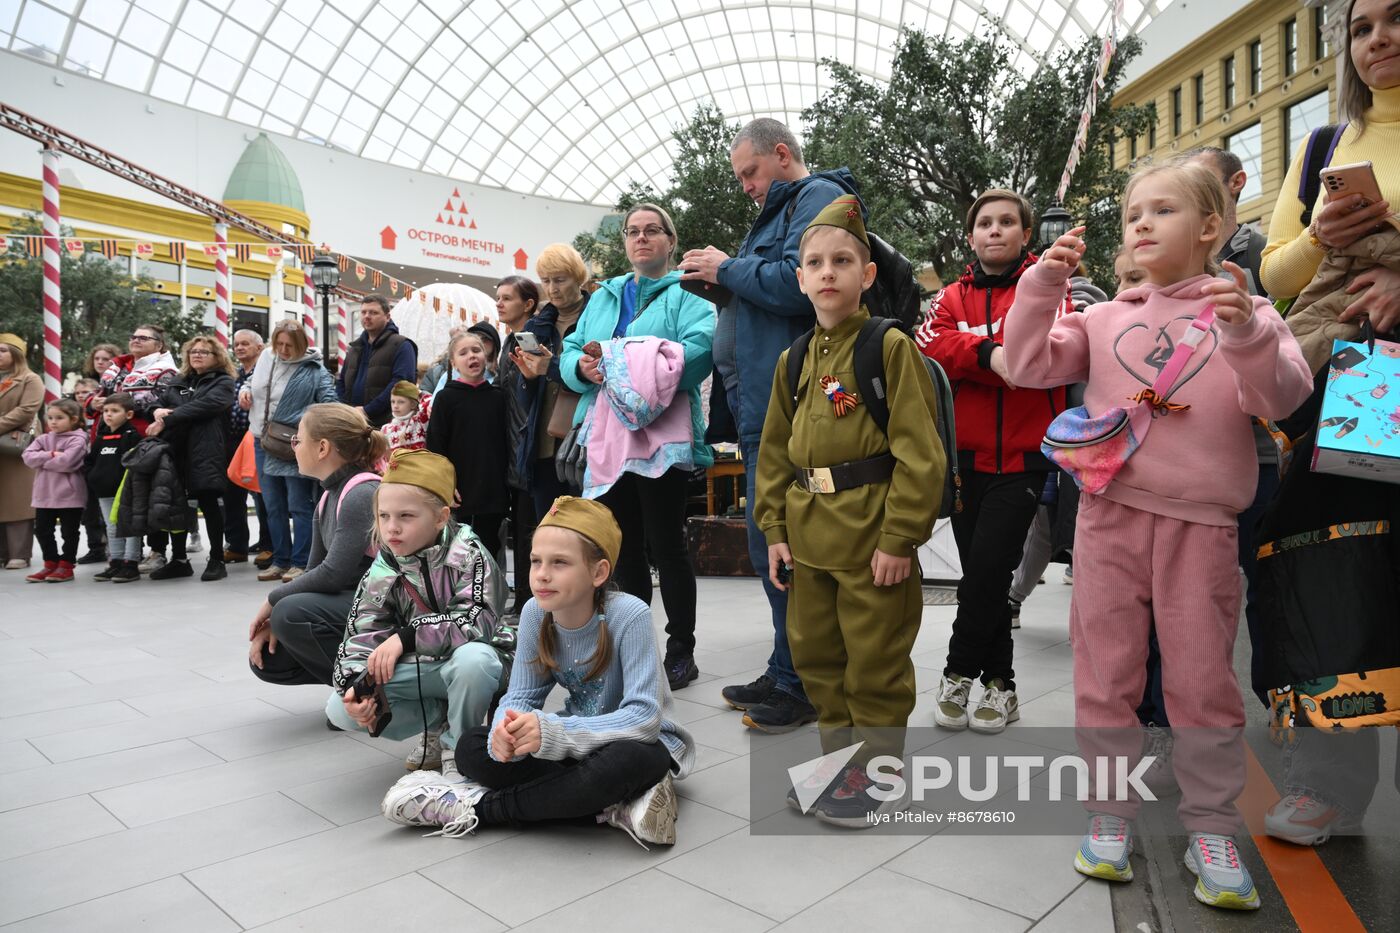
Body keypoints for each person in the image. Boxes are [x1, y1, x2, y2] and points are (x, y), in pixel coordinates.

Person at [1005, 160, 1312, 910]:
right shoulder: (1106, 316)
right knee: (1106, 672)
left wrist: (1244, 331)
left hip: (1202, 527)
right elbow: (1023, 361)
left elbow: (1287, 396)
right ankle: (1109, 811)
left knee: (1202, 681)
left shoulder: (1246, 308)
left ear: (1211, 226)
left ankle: (1211, 826)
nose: (1140, 222)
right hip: (1108, 517)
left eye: (1163, 209)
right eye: (1133, 211)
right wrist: (1041, 286)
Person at [1254, 0, 1400, 848]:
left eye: (1395, 17)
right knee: (1335, 552)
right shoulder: (1323, 147)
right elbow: (1275, 271)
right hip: (1368, 379)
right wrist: (1318, 234)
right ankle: (1330, 784)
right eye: (1361, 24)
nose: (1378, 37)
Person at [755, 196, 944, 825]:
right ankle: (841, 761)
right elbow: (774, 455)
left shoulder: (886, 348)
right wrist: (775, 530)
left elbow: (921, 455)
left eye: (842, 260)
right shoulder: (795, 360)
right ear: (801, 278)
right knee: (817, 658)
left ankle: (883, 770)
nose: (827, 271)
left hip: (871, 541)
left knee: (875, 661)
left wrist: (899, 539)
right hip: (809, 541)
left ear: (866, 275)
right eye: (815, 262)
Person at [682, 118, 862, 730]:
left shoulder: (815, 198)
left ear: (781, 155)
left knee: (780, 547)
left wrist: (728, 267)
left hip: (791, 409)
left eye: (749, 173)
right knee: (772, 543)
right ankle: (788, 667)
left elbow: (798, 284)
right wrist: (721, 286)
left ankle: (801, 679)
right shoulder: (787, 206)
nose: (745, 188)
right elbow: (767, 292)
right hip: (765, 406)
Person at [380, 496, 694, 846]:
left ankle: (479, 809)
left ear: (598, 572)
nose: (542, 574)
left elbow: (643, 718)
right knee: (473, 746)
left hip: (639, 744)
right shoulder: (534, 613)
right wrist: (505, 731)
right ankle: (613, 807)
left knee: (630, 761)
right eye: (534, 561)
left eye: (560, 563)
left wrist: (553, 731)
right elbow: (521, 696)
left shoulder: (630, 615)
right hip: (577, 747)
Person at [917, 189, 1069, 734]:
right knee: (986, 573)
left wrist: (983, 355)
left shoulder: (1051, 287)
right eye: (985, 223)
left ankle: (957, 672)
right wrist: (992, 354)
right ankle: (1001, 685)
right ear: (971, 236)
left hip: (1026, 459)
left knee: (985, 572)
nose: (996, 230)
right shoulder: (951, 296)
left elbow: (1045, 352)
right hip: (964, 460)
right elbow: (932, 346)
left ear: (1027, 234)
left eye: (1008, 222)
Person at [559, 203, 715, 691]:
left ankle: (681, 649)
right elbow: (572, 350)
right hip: (607, 439)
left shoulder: (691, 295)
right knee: (620, 549)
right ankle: (631, 646)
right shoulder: (603, 297)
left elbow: (700, 352)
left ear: (671, 241)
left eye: (652, 231)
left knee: (669, 546)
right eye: (632, 232)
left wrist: (621, 362)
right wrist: (580, 369)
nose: (641, 238)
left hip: (662, 438)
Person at [327, 448, 512, 782]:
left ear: (441, 517)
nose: (391, 528)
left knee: (474, 661)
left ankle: (460, 751)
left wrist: (407, 636)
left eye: (406, 516)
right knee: (340, 708)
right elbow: (360, 635)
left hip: (486, 660)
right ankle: (437, 725)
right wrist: (355, 685)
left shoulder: (470, 555)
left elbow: (478, 621)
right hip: (427, 667)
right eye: (384, 516)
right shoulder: (382, 569)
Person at [249, 404, 385, 690]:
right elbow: (314, 574)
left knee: (290, 613)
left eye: (297, 439)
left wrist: (273, 601)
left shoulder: (361, 492)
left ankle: (364, 691)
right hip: (357, 602)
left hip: (389, 605)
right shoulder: (328, 497)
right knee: (271, 657)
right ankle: (357, 681)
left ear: (322, 448)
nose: (294, 446)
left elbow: (333, 574)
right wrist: (275, 617)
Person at [1007, 264, 1106, 627]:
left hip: (1070, 437)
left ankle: (1018, 598)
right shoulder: (1096, 311)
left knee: (1052, 525)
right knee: (1055, 524)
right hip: (1080, 437)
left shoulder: (1082, 313)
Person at [242, 320, 338, 583]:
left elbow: (330, 403)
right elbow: (253, 382)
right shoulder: (266, 357)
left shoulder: (313, 368)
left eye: (289, 345)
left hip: (296, 443)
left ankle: (301, 561)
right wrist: (245, 390)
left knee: (299, 505)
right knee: (272, 505)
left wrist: (305, 424)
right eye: (279, 343)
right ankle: (280, 560)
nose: (283, 349)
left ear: (301, 345)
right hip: (264, 440)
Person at [511, 245, 592, 519]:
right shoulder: (535, 327)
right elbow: (525, 402)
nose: (552, 288)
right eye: (546, 281)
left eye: (560, 280)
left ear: (578, 278)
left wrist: (552, 367)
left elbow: (598, 375)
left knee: (588, 527)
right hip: (543, 443)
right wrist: (528, 378)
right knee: (550, 525)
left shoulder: (598, 318)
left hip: (587, 441)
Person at [146, 335, 237, 581]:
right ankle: (179, 560)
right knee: (176, 505)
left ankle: (217, 559)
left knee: (209, 503)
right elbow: (155, 403)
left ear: (217, 356)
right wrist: (155, 410)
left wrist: (167, 416)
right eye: (193, 351)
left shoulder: (224, 382)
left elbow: (206, 405)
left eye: (204, 352)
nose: (197, 355)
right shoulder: (179, 381)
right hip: (175, 449)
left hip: (206, 451)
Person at [96, 324, 180, 573]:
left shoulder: (165, 370)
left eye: (144, 338)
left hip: (147, 441)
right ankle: (121, 557)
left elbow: (164, 403)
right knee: (123, 501)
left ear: (159, 345)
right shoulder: (119, 368)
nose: (136, 341)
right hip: (113, 438)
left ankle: (156, 551)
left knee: (151, 498)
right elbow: (99, 396)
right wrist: (96, 402)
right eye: (133, 336)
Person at [426, 329, 510, 558]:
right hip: (461, 493)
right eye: (463, 353)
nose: (471, 356)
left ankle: (489, 593)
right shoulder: (446, 398)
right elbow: (435, 446)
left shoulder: (498, 397)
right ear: (453, 363)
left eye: (476, 350)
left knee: (490, 549)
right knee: (460, 551)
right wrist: (445, 485)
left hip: (493, 492)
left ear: (486, 356)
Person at [496, 275, 542, 618]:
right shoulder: (507, 341)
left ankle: (531, 601)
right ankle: (525, 598)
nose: (499, 303)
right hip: (511, 447)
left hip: (532, 446)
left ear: (528, 304)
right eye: (498, 298)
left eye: (507, 298)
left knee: (531, 530)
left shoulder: (531, 340)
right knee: (520, 529)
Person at [21, 398, 89, 583]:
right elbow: (27, 457)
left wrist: (41, 461)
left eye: (59, 417)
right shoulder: (43, 439)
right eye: (50, 417)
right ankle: (50, 563)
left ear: (74, 419)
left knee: (69, 532)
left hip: (70, 495)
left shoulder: (78, 439)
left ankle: (66, 566)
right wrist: (50, 454)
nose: (53, 422)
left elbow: (67, 462)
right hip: (44, 494)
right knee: (42, 530)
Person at [86, 393, 143, 583]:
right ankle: (116, 562)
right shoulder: (101, 437)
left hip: (125, 492)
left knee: (129, 526)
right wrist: (93, 478)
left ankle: (131, 563)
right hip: (104, 492)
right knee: (112, 527)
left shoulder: (131, 436)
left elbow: (134, 463)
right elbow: (91, 461)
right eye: (106, 411)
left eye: (114, 411)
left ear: (128, 415)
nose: (108, 415)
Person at [225, 328, 270, 565]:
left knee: (261, 494)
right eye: (237, 344)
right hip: (233, 439)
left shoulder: (265, 372)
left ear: (259, 348)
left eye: (245, 344)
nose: (240, 348)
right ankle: (236, 544)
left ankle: (267, 544)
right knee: (232, 492)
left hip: (256, 437)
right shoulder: (234, 375)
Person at [336, 295, 417, 428]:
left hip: (385, 425)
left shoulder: (402, 345)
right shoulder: (355, 347)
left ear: (387, 316)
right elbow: (341, 381)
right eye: (363, 312)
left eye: (373, 312)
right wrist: (346, 410)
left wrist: (367, 410)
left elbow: (401, 384)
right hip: (352, 422)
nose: (367, 316)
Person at [0, 333, 45, 570]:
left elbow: (27, 410)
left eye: (3, 350)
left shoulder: (30, 378)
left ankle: (19, 553)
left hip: (15, 447)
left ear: (16, 354)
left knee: (17, 499)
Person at [383, 380, 429, 452]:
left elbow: (430, 402)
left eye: (401, 402)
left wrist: (419, 394)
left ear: (413, 404)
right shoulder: (386, 429)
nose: (395, 406)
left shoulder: (419, 421)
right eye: (393, 402)